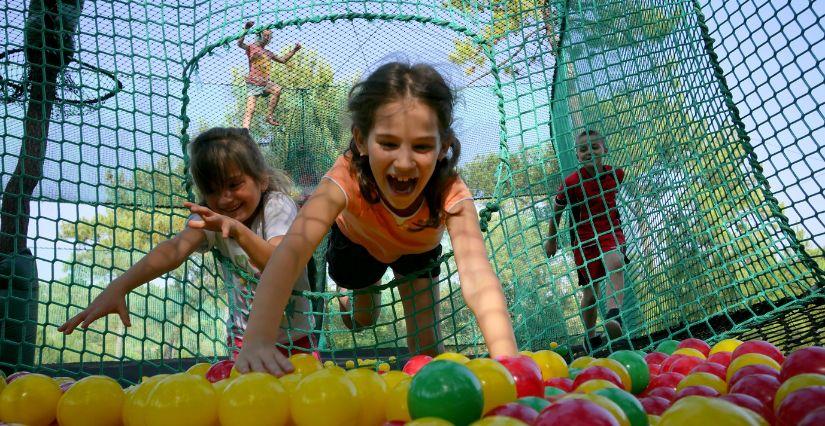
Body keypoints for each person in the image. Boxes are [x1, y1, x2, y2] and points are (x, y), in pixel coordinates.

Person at [234, 62, 518, 375]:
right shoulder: (345, 178)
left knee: (427, 348)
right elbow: (289, 255)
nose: (405, 162)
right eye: (388, 143)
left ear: (443, 148)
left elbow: (478, 276)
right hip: (358, 244)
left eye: (422, 146)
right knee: (362, 319)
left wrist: (509, 362)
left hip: (416, 250)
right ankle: (348, 297)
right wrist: (257, 340)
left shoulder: (449, 190)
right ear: (361, 141)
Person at [58, 127, 314, 358]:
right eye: (212, 191)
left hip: (295, 339)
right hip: (244, 341)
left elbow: (281, 264)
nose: (225, 199)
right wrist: (121, 286)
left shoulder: (277, 206)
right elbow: (174, 249)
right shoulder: (210, 217)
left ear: (261, 179)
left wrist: (238, 232)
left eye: (234, 184)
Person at [545, 129, 627, 351]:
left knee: (616, 263)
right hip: (584, 241)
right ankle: (590, 337)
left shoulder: (615, 175)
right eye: (583, 149)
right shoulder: (571, 182)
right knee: (591, 294)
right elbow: (557, 211)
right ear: (577, 155)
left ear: (604, 149)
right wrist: (551, 238)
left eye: (594, 147)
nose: (589, 152)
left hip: (610, 232)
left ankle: (614, 316)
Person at [238, 21, 301, 128]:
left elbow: (283, 60)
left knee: (277, 89)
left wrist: (294, 50)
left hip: (265, 83)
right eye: (265, 35)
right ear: (260, 35)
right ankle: (245, 130)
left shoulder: (268, 53)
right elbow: (239, 44)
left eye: (269, 36)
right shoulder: (251, 47)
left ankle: (269, 116)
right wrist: (246, 29)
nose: (267, 38)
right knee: (251, 109)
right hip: (253, 82)